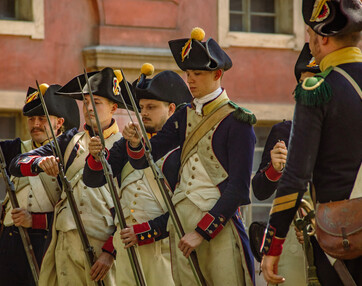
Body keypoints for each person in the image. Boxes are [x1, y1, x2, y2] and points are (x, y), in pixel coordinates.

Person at [122, 27, 256, 285]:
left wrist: (202, 232)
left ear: (217, 74)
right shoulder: (184, 115)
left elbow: (238, 189)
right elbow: (146, 157)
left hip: (217, 225)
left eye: (197, 73)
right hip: (180, 222)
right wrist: (137, 142)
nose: (190, 80)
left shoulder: (238, 120)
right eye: (188, 73)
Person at [260, 0, 362, 285]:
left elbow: (295, 177)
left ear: (322, 37)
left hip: (343, 239)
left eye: (310, 34)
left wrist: (274, 243)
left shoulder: (318, 89)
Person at [9, 67, 131, 286]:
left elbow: (130, 209)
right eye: (85, 101)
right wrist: (39, 163)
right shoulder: (69, 141)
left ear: (113, 107)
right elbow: (17, 164)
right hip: (64, 243)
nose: (89, 108)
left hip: (102, 248)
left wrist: (110, 252)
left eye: (97, 102)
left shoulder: (126, 149)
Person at [0, 84, 79, 286]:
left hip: (48, 244)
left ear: (59, 123)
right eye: (31, 119)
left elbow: (76, 211)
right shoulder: (16, 149)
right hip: (10, 243)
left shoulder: (71, 155)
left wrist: (35, 221)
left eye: (42, 119)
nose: (35, 124)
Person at [84, 66, 192, 285]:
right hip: (126, 248)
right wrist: (96, 155)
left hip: (164, 249)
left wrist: (145, 232)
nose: (143, 113)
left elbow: (186, 208)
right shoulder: (126, 144)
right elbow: (94, 179)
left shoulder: (183, 149)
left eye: (151, 107)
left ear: (171, 109)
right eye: (141, 107)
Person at [250, 43, 320, 286]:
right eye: (303, 81)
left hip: (332, 233)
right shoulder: (283, 131)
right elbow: (260, 190)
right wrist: (274, 169)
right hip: (288, 234)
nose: (306, 88)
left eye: (314, 81)